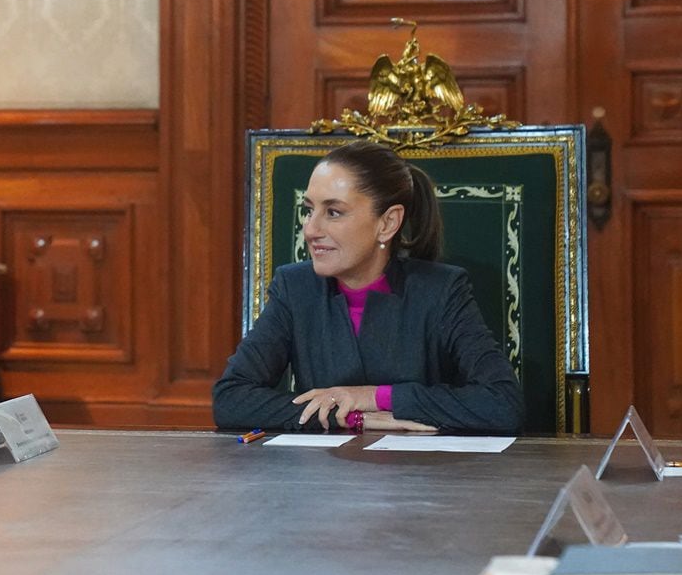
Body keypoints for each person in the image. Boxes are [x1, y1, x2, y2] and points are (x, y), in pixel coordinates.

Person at [212, 140, 523, 433]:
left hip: (422, 479)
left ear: (387, 223)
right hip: (320, 480)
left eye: (333, 212)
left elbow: (502, 403)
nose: (310, 229)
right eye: (309, 210)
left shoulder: (441, 290)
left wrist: (375, 397)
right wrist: (352, 417)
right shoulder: (294, 288)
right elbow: (231, 399)